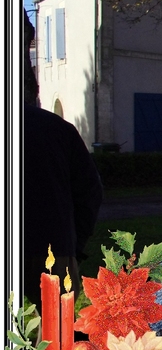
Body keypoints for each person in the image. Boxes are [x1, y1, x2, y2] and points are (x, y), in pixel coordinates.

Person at [23, 104, 103, 329]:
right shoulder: (58, 128)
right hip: (53, 242)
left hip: (51, 241)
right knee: (56, 328)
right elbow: (90, 191)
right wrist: (74, 246)